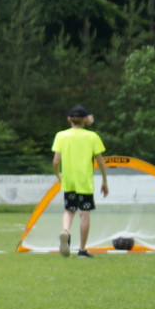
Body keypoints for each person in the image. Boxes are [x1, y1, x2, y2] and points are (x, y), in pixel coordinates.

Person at [51, 104, 110, 257]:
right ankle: (82, 250)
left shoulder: (61, 136)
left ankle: (65, 231)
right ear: (86, 120)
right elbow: (100, 161)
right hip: (84, 182)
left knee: (69, 210)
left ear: (69, 119)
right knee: (84, 213)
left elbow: (56, 161)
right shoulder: (92, 137)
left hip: (68, 180)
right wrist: (104, 181)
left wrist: (58, 175)